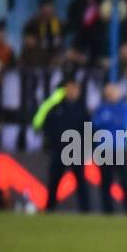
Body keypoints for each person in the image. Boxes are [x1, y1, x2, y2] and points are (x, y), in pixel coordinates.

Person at [33, 77, 91, 212]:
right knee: (54, 181)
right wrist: (51, 142)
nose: (72, 92)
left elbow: (88, 130)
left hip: (76, 151)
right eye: (70, 88)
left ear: (79, 91)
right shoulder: (56, 108)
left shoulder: (82, 110)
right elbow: (47, 126)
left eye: (75, 89)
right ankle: (49, 209)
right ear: (65, 90)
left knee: (81, 182)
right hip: (59, 150)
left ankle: (86, 211)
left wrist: (86, 148)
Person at [94, 82, 127, 214]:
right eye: (109, 93)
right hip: (104, 150)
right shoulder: (101, 108)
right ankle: (108, 211)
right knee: (106, 182)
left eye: (113, 92)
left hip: (121, 150)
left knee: (125, 181)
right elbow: (95, 124)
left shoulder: (125, 108)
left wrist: (109, 122)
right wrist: (113, 122)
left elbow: (125, 124)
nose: (111, 95)